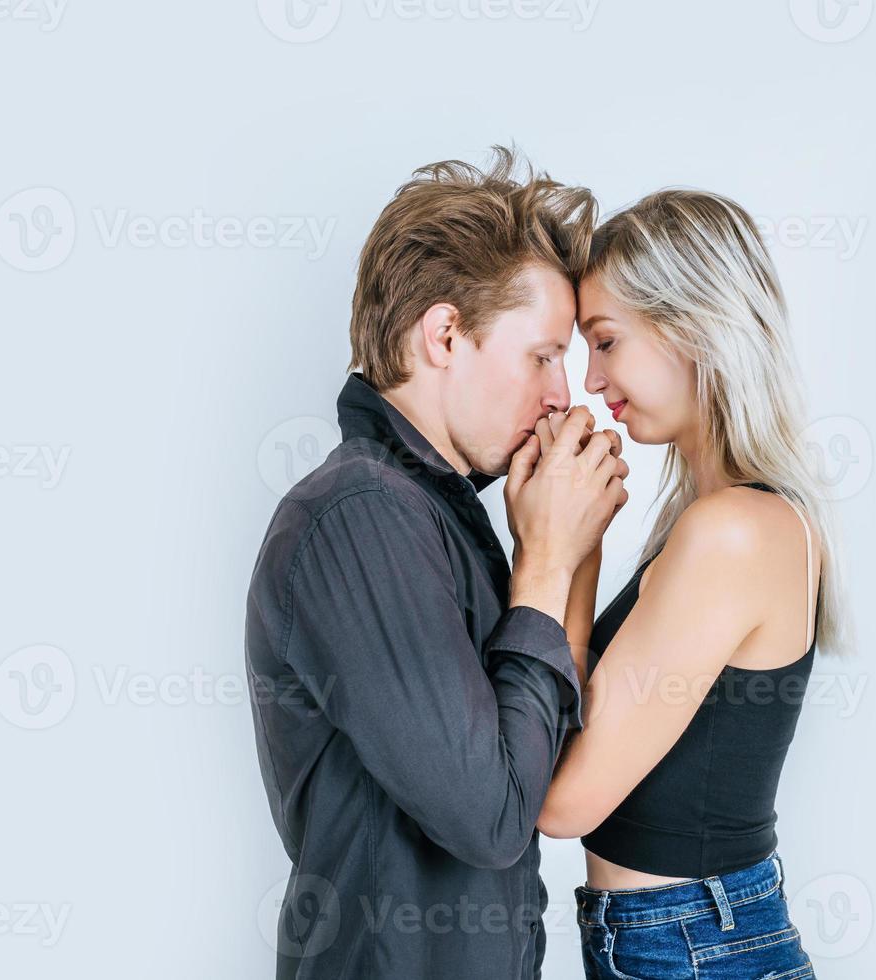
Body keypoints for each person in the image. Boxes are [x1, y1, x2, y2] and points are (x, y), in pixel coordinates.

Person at [244, 147, 629, 979]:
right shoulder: (362, 516)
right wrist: (545, 562)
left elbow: (535, 778)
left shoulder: (434, 519)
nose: (565, 394)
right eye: (542, 355)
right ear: (445, 333)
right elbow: (490, 818)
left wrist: (566, 555)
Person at [535, 189, 853, 979]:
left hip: (694, 946)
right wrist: (577, 550)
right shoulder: (725, 520)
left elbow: (563, 803)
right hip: (686, 938)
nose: (591, 377)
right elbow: (572, 731)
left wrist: (559, 553)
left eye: (606, 341)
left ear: (692, 325)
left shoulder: (732, 533)